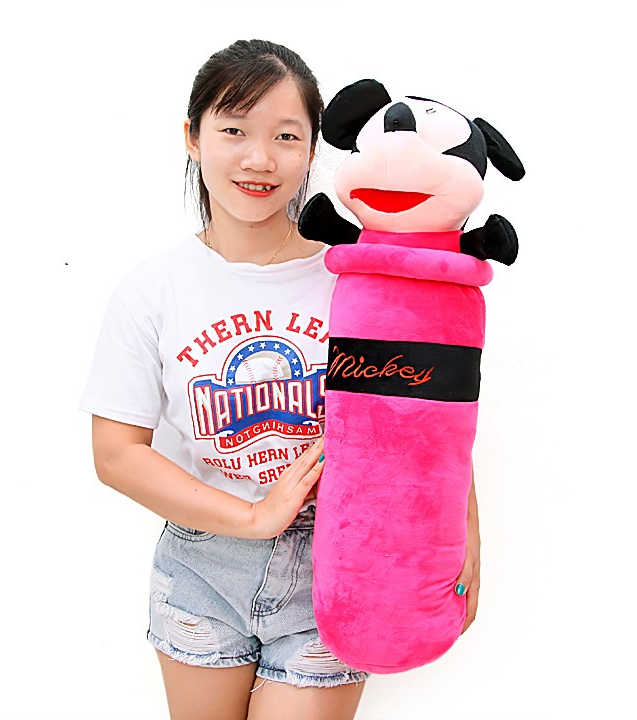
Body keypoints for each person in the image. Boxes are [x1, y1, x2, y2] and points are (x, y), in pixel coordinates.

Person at [80, 38, 480, 720]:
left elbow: (425, 420)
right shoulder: (151, 290)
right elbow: (116, 454)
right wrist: (251, 517)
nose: (259, 158)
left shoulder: (360, 280)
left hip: (339, 562)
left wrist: (462, 533)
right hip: (201, 564)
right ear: (193, 137)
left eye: (286, 136)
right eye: (234, 130)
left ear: (313, 149)